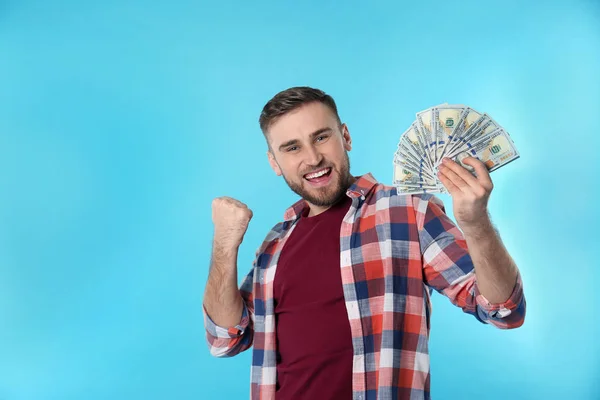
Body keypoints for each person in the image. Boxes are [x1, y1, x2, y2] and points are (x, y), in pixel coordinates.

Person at [202, 87, 526, 400]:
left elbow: (502, 309)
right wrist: (224, 245)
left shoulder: (408, 211)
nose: (313, 158)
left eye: (321, 137)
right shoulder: (276, 243)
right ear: (275, 163)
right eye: (292, 147)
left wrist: (476, 222)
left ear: (346, 137)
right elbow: (224, 339)